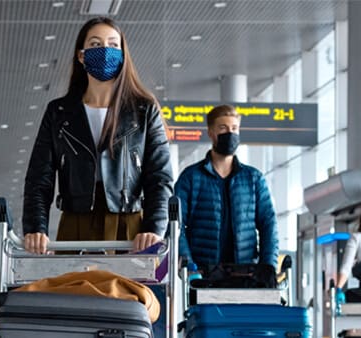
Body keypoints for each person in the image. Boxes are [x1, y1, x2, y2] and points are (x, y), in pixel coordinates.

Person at [21, 16, 173, 255]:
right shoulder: (59, 112)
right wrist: (35, 228)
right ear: (81, 56)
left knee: (127, 291)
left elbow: (160, 177)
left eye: (113, 45)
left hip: (131, 227)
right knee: (76, 289)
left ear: (123, 55)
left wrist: (154, 228)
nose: (105, 51)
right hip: (75, 223)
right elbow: (39, 179)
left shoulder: (143, 110)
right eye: (95, 44)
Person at [175, 104, 279, 275]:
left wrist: (268, 266)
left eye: (234, 128)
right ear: (210, 133)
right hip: (203, 273)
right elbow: (176, 226)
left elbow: (269, 224)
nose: (229, 133)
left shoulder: (253, 179)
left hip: (245, 273)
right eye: (223, 128)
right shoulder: (191, 178)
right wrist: (188, 266)